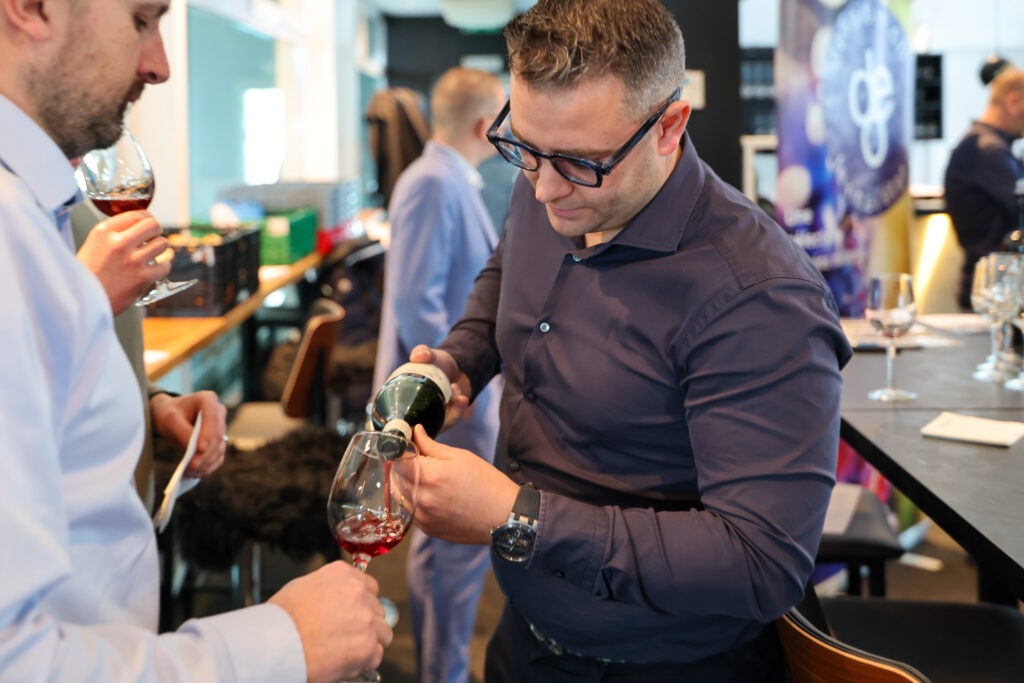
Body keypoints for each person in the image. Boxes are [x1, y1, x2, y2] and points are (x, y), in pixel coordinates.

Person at [397, 1, 852, 680]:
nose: (544, 189)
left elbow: (761, 562)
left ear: (669, 126)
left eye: (581, 162)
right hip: (524, 639)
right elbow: (503, 278)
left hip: (663, 665)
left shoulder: (757, 296)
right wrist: (462, 360)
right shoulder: (549, 181)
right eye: (523, 147)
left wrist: (517, 516)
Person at [0, 2, 390, 681]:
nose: (160, 66)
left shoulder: (39, 212)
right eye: (140, 19)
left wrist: (142, 405)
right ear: (33, 8)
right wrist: (283, 641)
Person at [372, 66, 505, 683]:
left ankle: (440, 666)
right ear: (484, 125)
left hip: (455, 400)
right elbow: (417, 304)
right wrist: (450, 382)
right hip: (447, 403)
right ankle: (443, 670)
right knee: (453, 548)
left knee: (443, 545)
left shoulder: (442, 178)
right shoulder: (432, 182)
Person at [73, 201, 226, 509]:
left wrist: (155, 405)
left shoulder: (76, 211)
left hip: (130, 511)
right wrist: (84, 299)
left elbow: (97, 366)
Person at [944, 59, 1024, 310]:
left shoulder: (986, 148)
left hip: (996, 289)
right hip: (995, 294)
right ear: (1013, 102)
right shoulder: (986, 151)